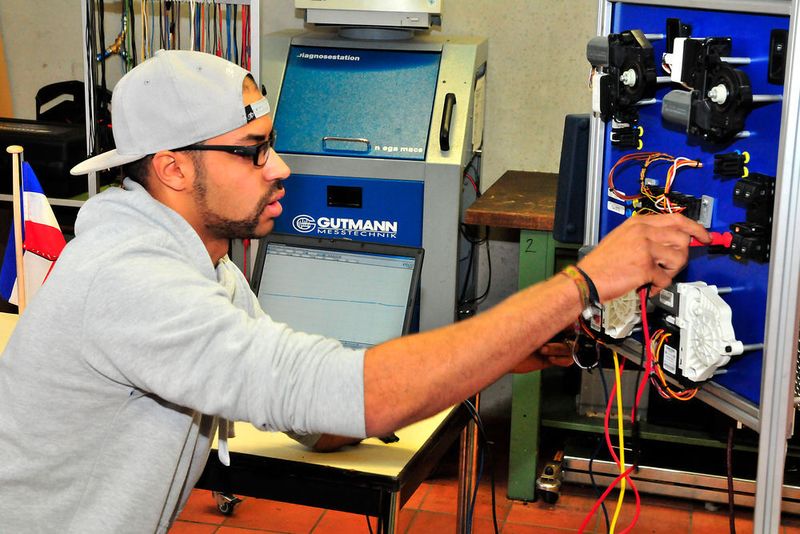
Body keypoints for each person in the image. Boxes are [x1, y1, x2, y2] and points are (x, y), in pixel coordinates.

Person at [0, 50, 709, 533]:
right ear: (174, 169)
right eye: (252, 151)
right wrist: (581, 284)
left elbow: (322, 417)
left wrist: (504, 352)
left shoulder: (197, 264)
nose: (278, 167)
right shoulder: (133, 280)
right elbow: (349, 393)